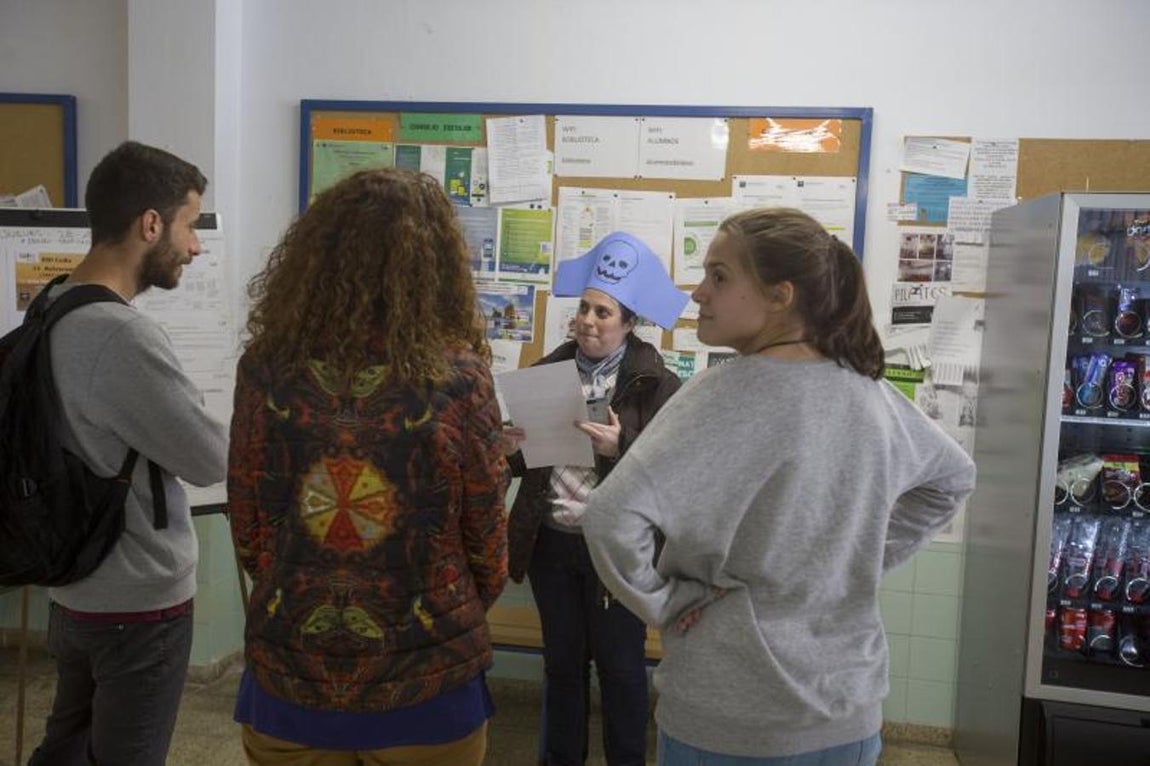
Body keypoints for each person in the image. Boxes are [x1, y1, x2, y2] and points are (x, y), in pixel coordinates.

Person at [582, 208, 977, 766]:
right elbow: (952, 479)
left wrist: (664, 603)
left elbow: (608, 516)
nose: (698, 293)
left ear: (779, 296)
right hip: (848, 718)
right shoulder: (871, 394)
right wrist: (854, 559)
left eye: (719, 276)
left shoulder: (716, 395)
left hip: (729, 719)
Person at [228, 168, 508, 765]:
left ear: (313, 258)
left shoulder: (265, 370)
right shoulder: (459, 377)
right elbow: (486, 540)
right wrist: (447, 603)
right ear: (436, 267)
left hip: (291, 670)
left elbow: (249, 526)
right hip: (429, 677)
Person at [28, 141, 229, 766]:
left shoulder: (53, 302)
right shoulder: (118, 333)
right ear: (150, 224)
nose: (196, 246)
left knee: (67, 747)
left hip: (75, 586)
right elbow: (209, 459)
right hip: (137, 602)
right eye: (190, 225)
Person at [504, 232, 688, 766]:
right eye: (583, 308)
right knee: (562, 665)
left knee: (621, 667)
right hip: (551, 542)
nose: (587, 321)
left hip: (616, 548)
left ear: (629, 323)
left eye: (602, 312)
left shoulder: (657, 384)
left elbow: (674, 472)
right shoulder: (547, 371)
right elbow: (530, 460)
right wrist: (510, 450)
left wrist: (620, 447)